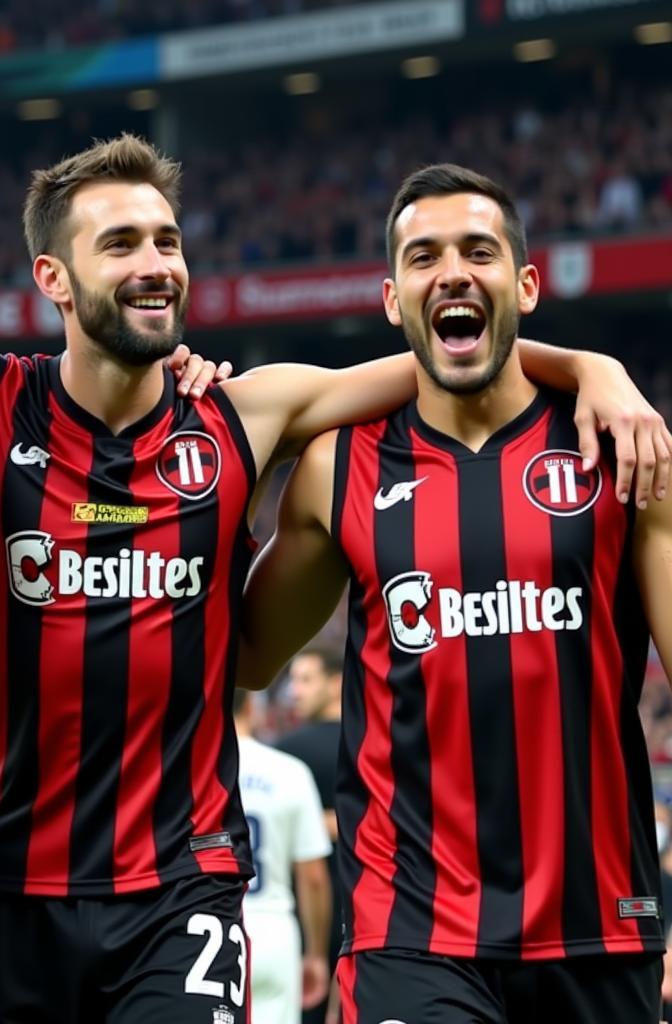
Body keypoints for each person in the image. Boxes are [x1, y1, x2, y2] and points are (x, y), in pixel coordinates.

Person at [0, 138, 672, 1023]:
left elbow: (451, 350)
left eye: (168, 242)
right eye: (122, 245)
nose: (155, 265)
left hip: (180, 886)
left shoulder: (245, 415)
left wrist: (591, 368)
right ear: (51, 278)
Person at [238, 163, 672, 1023]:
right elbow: (247, 655)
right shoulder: (336, 470)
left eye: (478, 250)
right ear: (395, 300)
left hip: (601, 925)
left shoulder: (624, 452)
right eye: (425, 256)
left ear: (525, 284)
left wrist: (601, 370)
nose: (453, 273)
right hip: (409, 931)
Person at [234, 688, 332, 1024]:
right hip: (272, 928)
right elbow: (313, 876)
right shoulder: (289, 771)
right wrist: (317, 952)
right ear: (251, 706)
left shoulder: (191, 770)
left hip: (213, 925)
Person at [277, 647, 345, 1023]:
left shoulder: (285, 755)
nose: (294, 690)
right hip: (350, 908)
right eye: (292, 680)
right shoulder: (375, 744)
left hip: (307, 910)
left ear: (336, 683)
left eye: (305, 680)